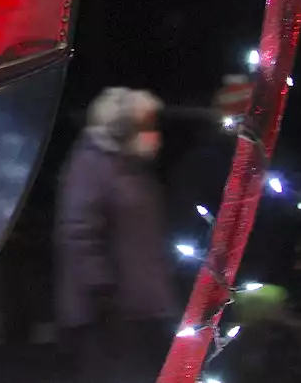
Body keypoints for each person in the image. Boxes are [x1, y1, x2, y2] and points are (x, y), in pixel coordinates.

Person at [54, 87, 178, 383]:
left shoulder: (133, 167)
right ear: (122, 127)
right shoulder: (91, 166)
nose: (153, 133)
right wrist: (101, 289)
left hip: (143, 308)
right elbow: (79, 231)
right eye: (146, 125)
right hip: (107, 315)